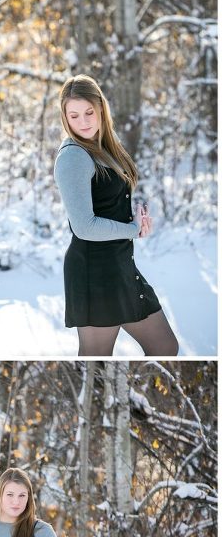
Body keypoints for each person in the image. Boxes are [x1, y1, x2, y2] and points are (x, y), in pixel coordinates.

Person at [53, 75, 179, 356]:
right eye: (74, 116)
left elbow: (108, 200)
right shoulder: (73, 157)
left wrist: (136, 221)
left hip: (120, 265)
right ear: (65, 118)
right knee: (95, 359)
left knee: (165, 346)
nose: (83, 122)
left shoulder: (104, 147)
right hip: (94, 272)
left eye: (89, 112)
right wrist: (131, 230)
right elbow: (84, 227)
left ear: (101, 108)